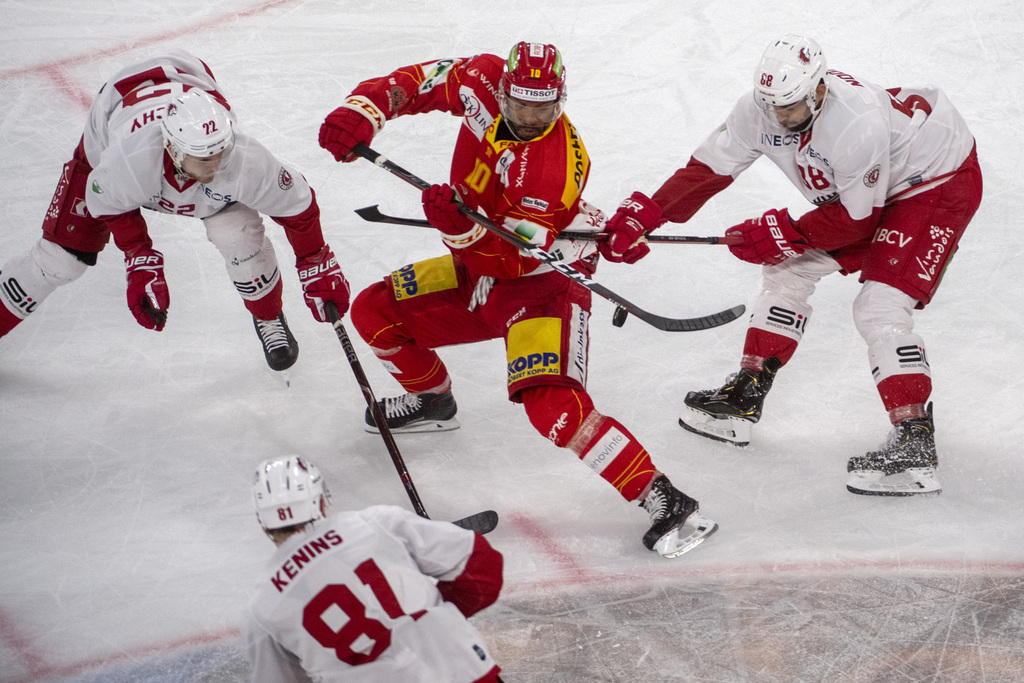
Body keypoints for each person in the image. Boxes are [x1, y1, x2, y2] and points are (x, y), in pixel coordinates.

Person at [317, 41, 717, 557]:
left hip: (542, 285)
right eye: (520, 103)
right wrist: (365, 108)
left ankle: (663, 498)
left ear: (561, 100)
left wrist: (457, 230)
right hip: (477, 266)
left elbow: (511, 262)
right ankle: (434, 400)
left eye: (543, 107)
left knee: (552, 408)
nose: (530, 116)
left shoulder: (552, 170)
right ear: (502, 88)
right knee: (374, 312)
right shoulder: (481, 78)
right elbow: (421, 80)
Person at [602, 34, 982, 496]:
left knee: (879, 306)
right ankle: (745, 396)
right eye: (772, 107)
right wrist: (651, 211)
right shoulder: (758, 109)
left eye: (791, 108)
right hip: (874, 191)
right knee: (787, 270)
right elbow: (708, 168)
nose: (780, 119)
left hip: (936, 184)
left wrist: (779, 232)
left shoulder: (855, 125)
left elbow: (856, 221)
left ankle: (914, 441)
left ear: (819, 90)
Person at [0, 49, 350, 372]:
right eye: (205, 156)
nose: (218, 163)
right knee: (58, 261)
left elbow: (298, 207)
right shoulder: (127, 161)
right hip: (118, 112)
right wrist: (139, 255)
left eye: (221, 150)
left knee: (238, 236)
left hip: (186, 79)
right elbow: (107, 202)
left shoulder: (241, 158)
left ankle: (269, 318)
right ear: (172, 148)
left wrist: (315, 261)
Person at [243, 456, 504, 682]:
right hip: (467, 674)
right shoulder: (376, 523)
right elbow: (483, 568)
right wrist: (433, 619)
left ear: (262, 522)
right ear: (321, 502)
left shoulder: (261, 608)